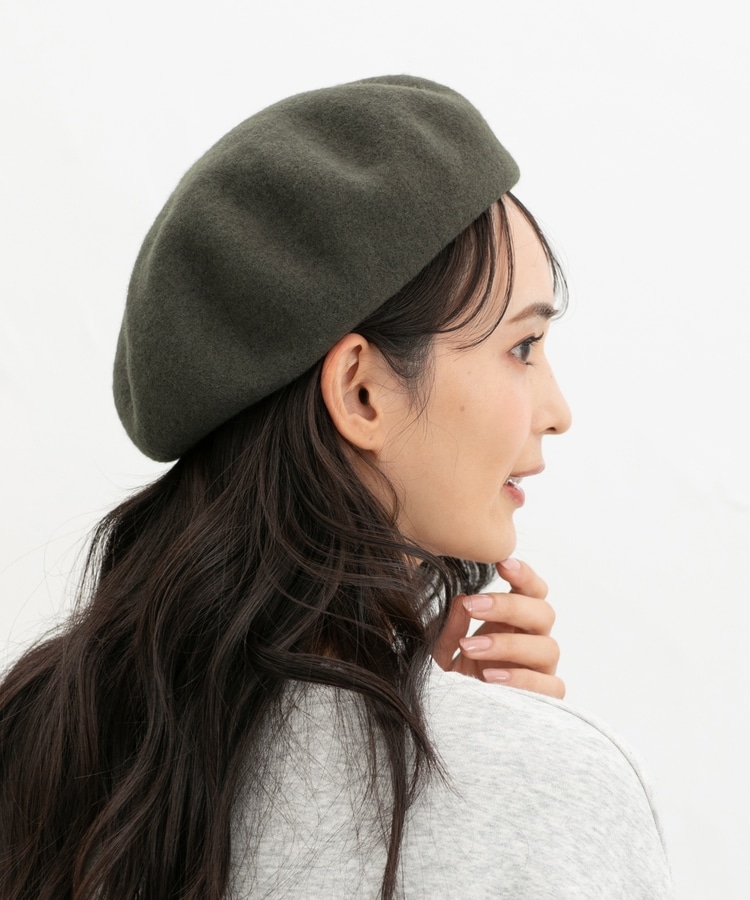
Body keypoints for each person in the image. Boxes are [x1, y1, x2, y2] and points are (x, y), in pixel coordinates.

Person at [0, 76, 673, 898]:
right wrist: (506, 772)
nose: (557, 412)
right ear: (360, 392)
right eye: (523, 347)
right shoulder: (561, 792)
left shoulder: (38, 749)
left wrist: (447, 721)